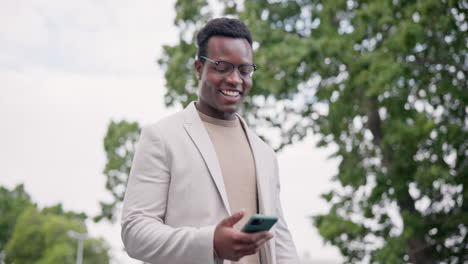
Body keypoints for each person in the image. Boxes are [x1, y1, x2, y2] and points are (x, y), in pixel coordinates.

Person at [121, 17, 299, 264]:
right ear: (198, 68)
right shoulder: (162, 137)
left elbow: (279, 238)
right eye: (222, 67)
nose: (235, 79)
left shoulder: (264, 152)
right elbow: (135, 232)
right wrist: (210, 243)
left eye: (244, 70)